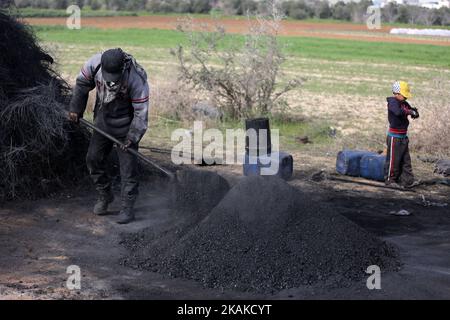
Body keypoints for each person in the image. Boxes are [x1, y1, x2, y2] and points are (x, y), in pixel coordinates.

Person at [69, 48, 149, 224]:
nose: (111, 82)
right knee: (93, 159)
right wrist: (76, 108)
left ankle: (127, 208)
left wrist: (131, 137)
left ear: (123, 68)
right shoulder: (94, 64)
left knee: (128, 170)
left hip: (127, 125)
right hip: (103, 120)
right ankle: (105, 194)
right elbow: (82, 84)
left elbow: (141, 113)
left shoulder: (136, 78)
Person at [384, 81, 419, 189]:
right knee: (394, 160)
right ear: (396, 93)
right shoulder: (393, 102)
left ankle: (407, 180)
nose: (405, 98)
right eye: (404, 95)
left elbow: (410, 110)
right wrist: (409, 112)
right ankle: (390, 180)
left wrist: (415, 112)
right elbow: (398, 112)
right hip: (394, 137)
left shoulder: (404, 103)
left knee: (405, 160)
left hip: (403, 137)